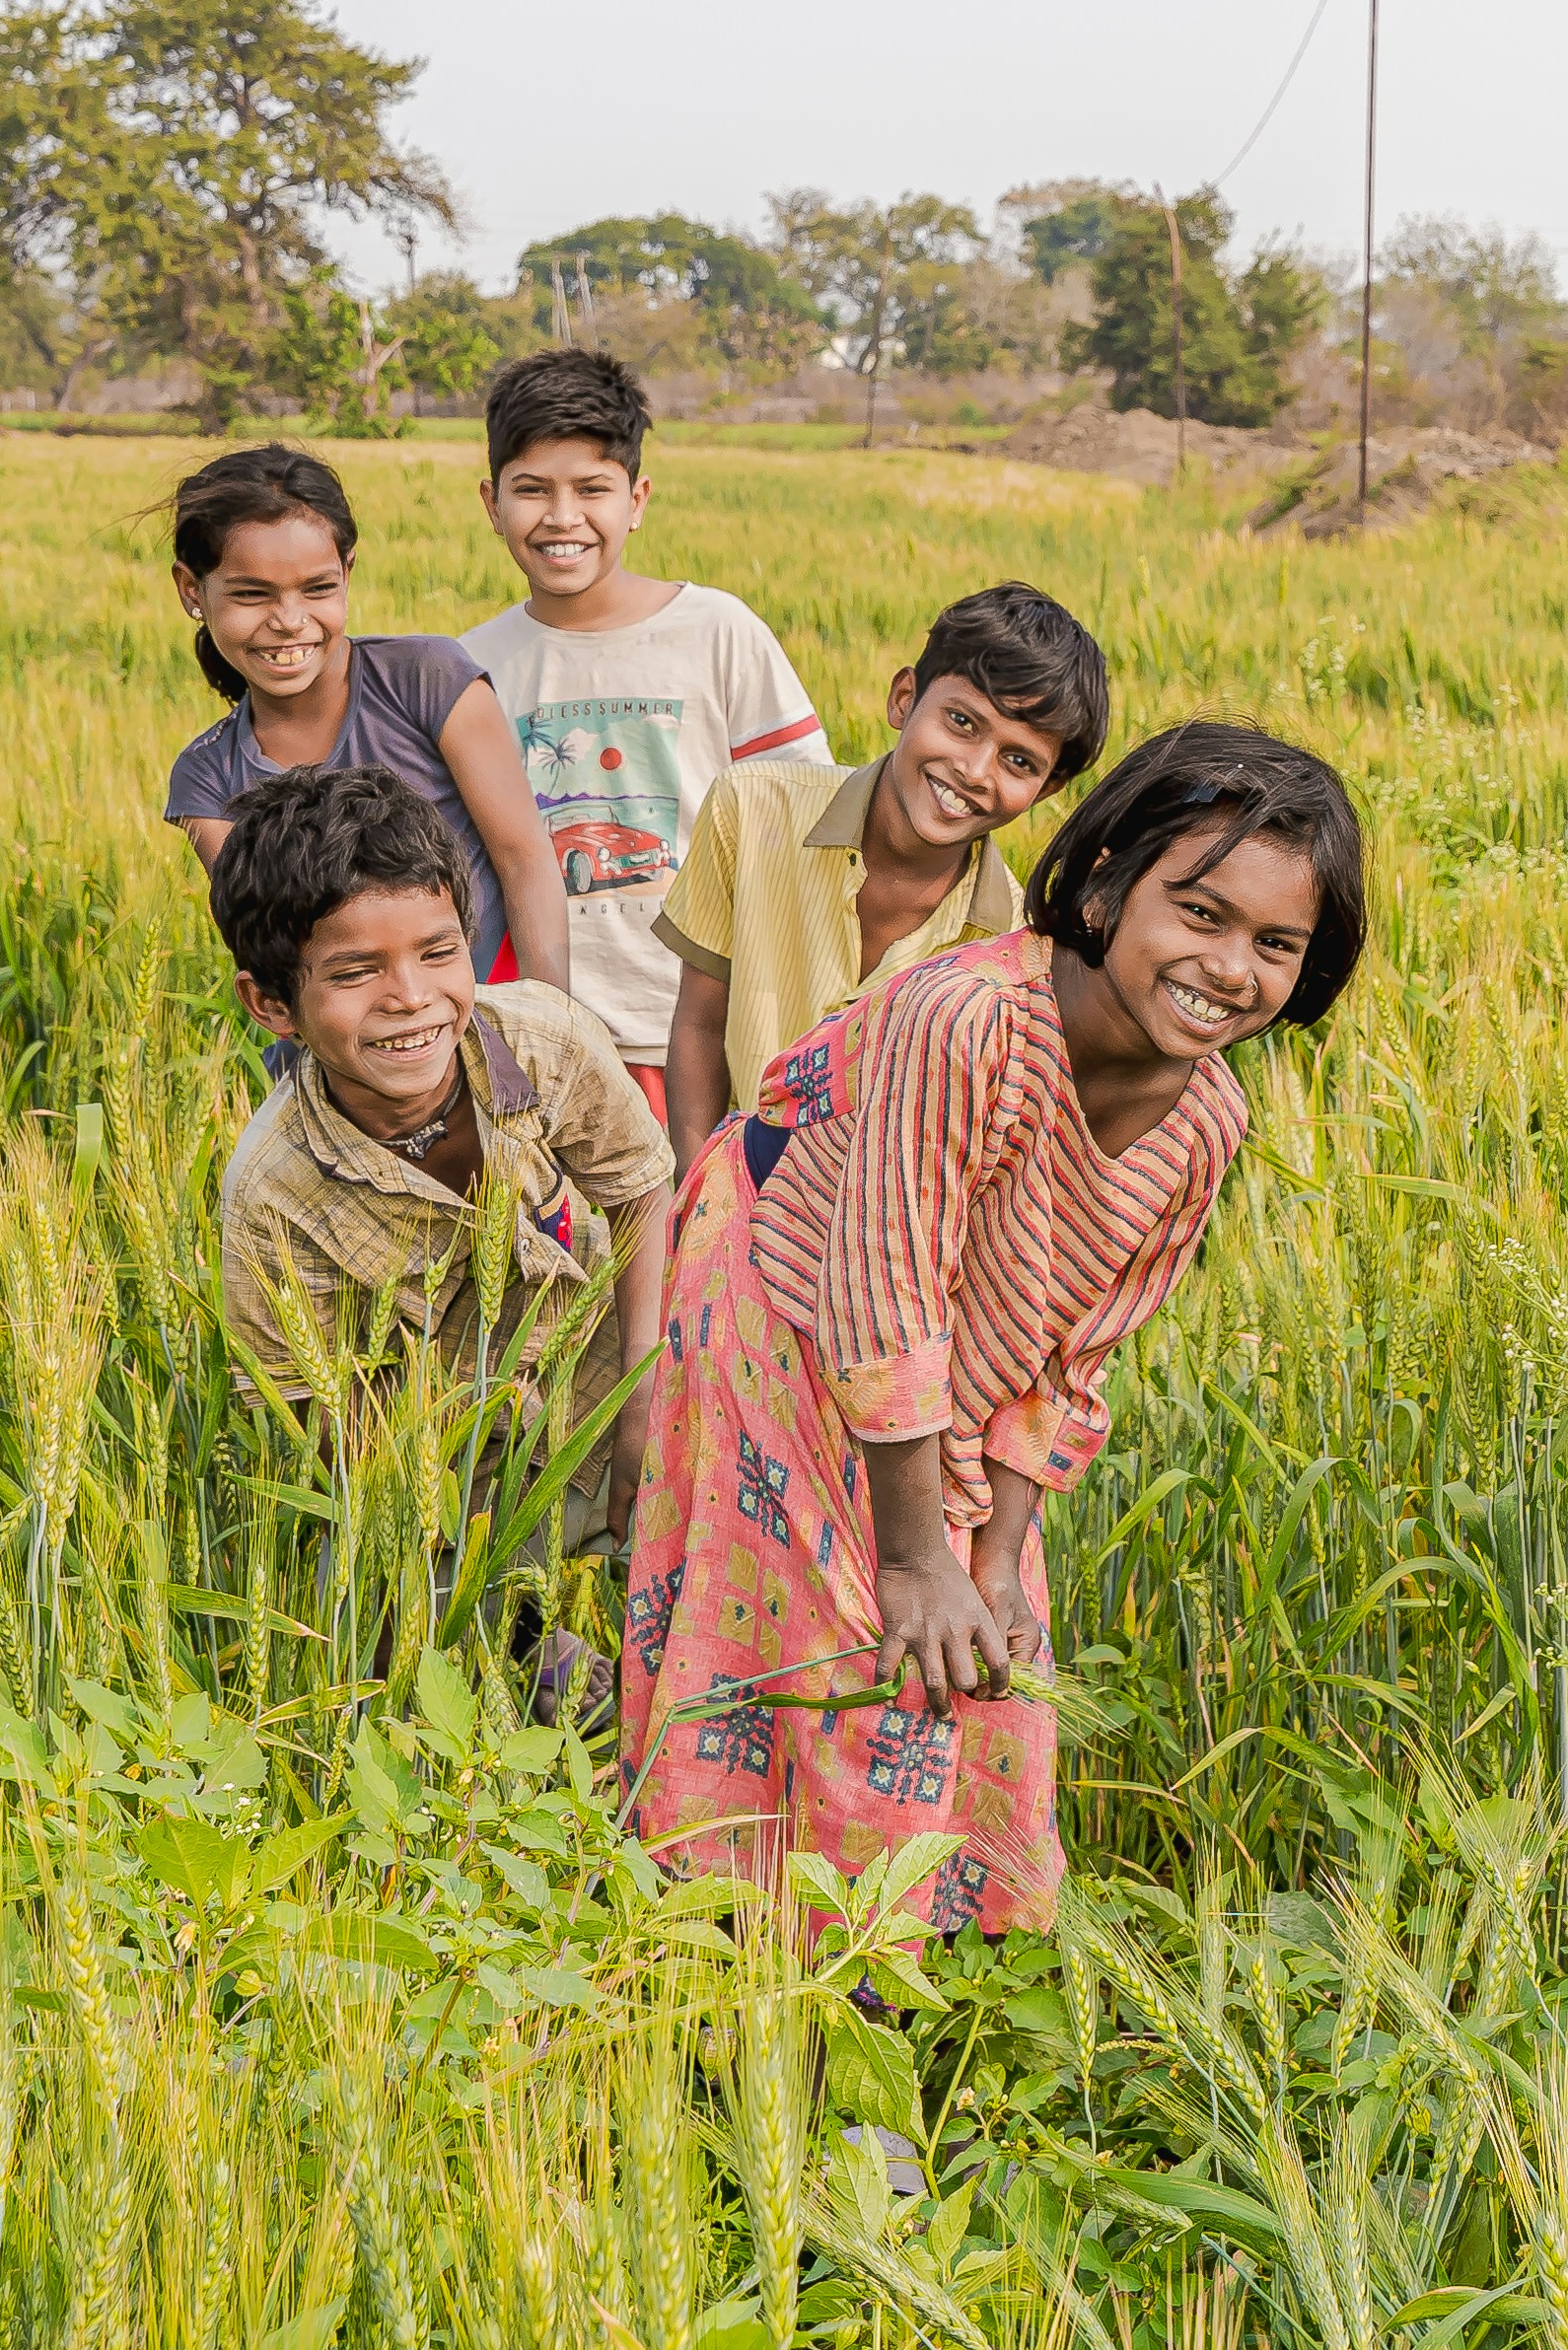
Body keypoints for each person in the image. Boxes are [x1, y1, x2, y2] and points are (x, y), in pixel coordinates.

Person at [615, 722, 1367, 1935]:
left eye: (1276, 945)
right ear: (1111, 878)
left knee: (993, 1666)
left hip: (947, 1371)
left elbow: (1073, 1355)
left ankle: (936, 1971)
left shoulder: (1206, 1120)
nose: (1230, 966)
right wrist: (918, 1559)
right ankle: (775, 1974)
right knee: (848, 1644)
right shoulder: (965, 1018)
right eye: (1201, 912)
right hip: (788, 1302)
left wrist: (997, 1557)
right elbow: (884, 1290)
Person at [208, 762, 681, 1564]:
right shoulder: (272, 1194)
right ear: (272, 1005)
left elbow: (642, 1190)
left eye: (438, 952)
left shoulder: (545, 1042)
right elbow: (317, 1419)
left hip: (604, 1374)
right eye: (356, 971)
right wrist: (450, 1529)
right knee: (388, 1616)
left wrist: (646, 1395)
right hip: (448, 1475)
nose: (411, 996)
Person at [651, 580, 1109, 1172]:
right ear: (904, 699)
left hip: (883, 1241)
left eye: (1018, 761)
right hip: (730, 1203)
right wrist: (701, 1199)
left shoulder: (1013, 949)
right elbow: (699, 1024)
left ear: (1046, 789)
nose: (974, 771)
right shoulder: (751, 807)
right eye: (962, 722)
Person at [458, 351, 827, 1079]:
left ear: (637, 499)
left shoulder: (719, 631)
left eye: (592, 488)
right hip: (546, 1041)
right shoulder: (470, 667)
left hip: (707, 1031)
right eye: (531, 489)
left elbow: (802, 820)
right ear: (491, 504)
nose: (563, 518)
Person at [159, 443, 575, 995]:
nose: (289, 621)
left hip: (487, 1029)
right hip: (339, 1060)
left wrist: (550, 1033)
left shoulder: (427, 679)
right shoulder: (207, 777)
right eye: (251, 595)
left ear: (347, 572)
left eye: (318, 588)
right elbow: (277, 951)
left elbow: (525, 860)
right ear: (192, 589)